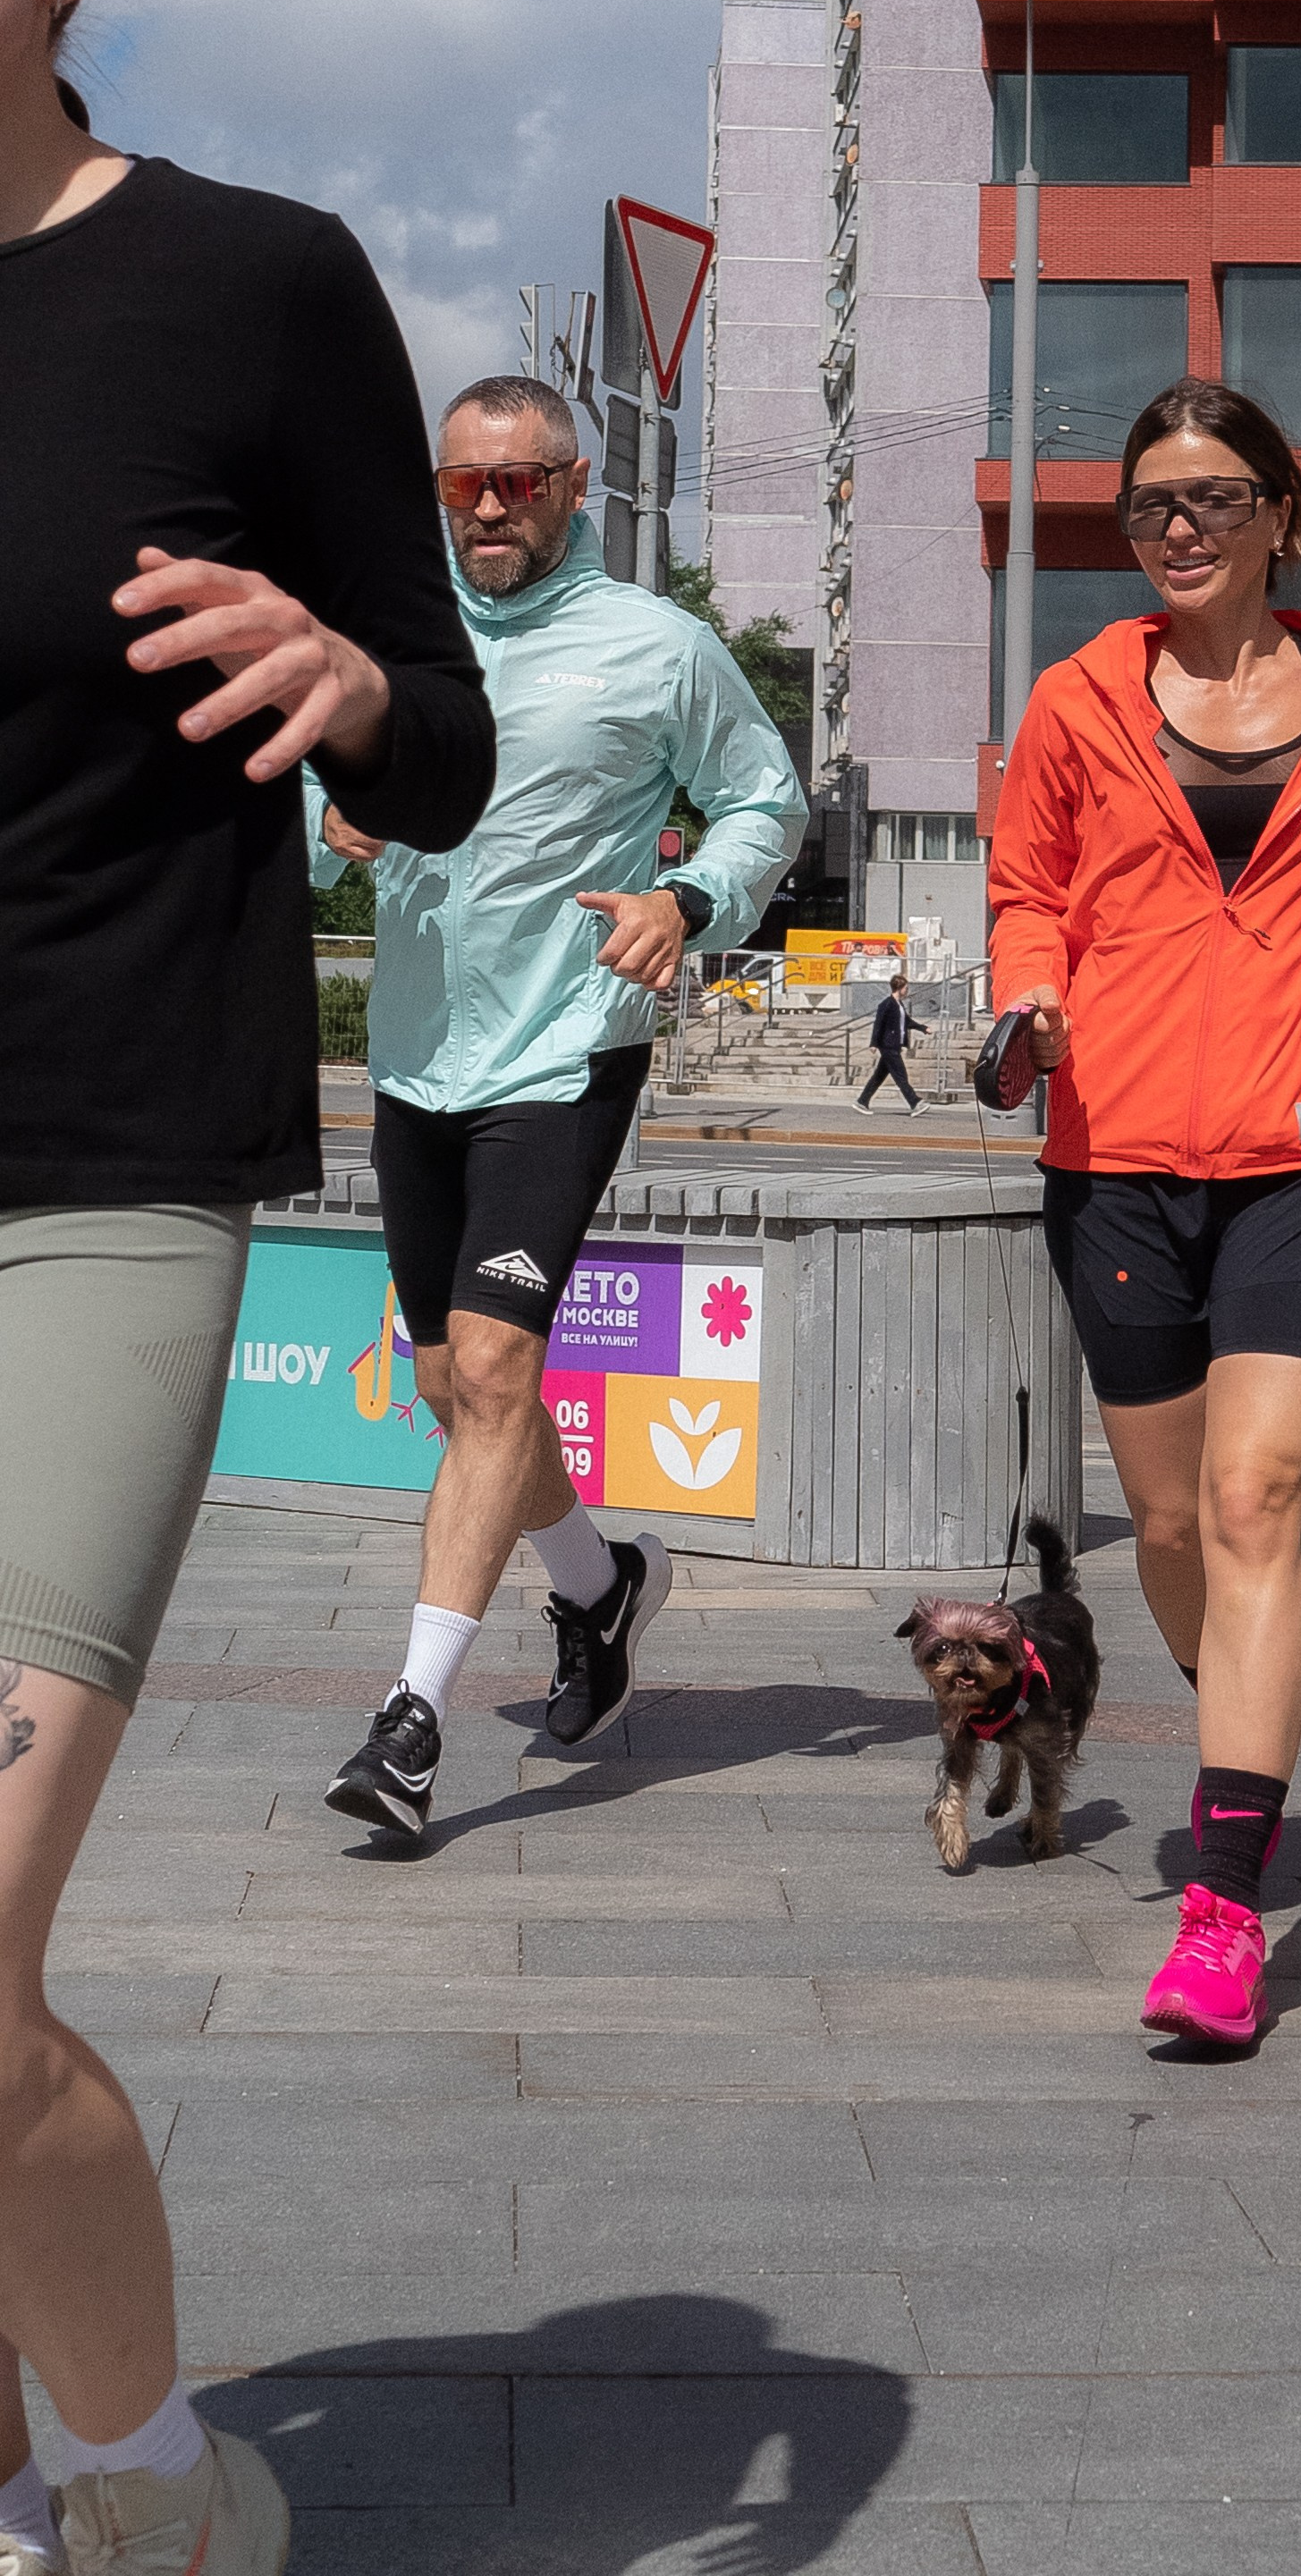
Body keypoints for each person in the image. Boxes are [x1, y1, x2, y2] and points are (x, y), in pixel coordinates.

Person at [0, 0, 494, 2576]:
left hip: (89, 1161)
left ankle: (161, 2500)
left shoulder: (256, 283)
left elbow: (435, 741)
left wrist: (346, 685)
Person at [988, 378, 1301, 2049]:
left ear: (1279, 514)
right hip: (1113, 1150)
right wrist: (1027, 1003)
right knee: (1172, 1530)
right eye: (1149, 508)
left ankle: (1227, 1903)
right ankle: (1237, 1730)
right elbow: (1030, 890)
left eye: (1208, 500)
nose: (1175, 531)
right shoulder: (1076, 699)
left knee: (1258, 1505)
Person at [317, 378, 807, 1848]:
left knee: (498, 1366)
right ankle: (602, 1586)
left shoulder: (659, 648)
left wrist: (684, 898)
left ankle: (410, 1726)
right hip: (415, 1060)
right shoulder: (393, 641)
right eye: (463, 483)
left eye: (517, 484)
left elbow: (764, 802)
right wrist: (328, 822)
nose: (486, 510)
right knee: (455, 1396)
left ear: (573, 481)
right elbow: (314, 812)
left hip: (568, 1053)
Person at [858, 972, 921, 1111]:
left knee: (879, 1077)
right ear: (899, 988)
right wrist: (874, 1043)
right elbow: (878, 1024)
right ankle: (915, 1103)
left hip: (895, 1046)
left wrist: (922, 1028)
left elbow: (907, 1022)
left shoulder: (899, 1005)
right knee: (901, 1076)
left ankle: (862, 1101)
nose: (907, 991)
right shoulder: (886, 1004)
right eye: (906, 988)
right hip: (887, 1046)